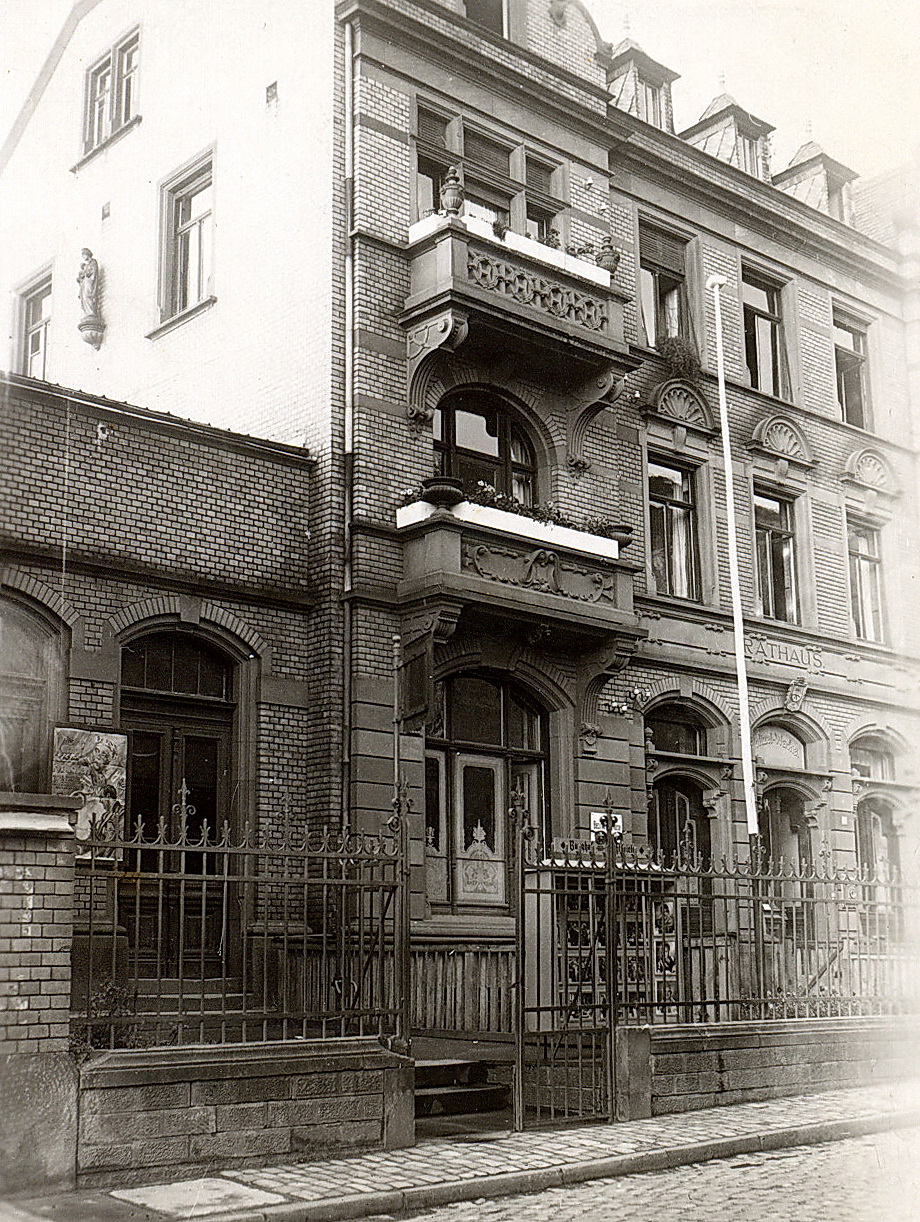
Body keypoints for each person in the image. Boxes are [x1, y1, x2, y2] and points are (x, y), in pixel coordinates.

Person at [77, 248, 99, 317]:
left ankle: (91, 312)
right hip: (85, 283)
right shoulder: (87, 265)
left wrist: (86, 273)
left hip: (89, 282)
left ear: (87, 254)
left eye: (83, 255)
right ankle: (88, 312)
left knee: (88, 295)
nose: (83, 257)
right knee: (84, 297)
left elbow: (93, 272)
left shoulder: (93, 262)